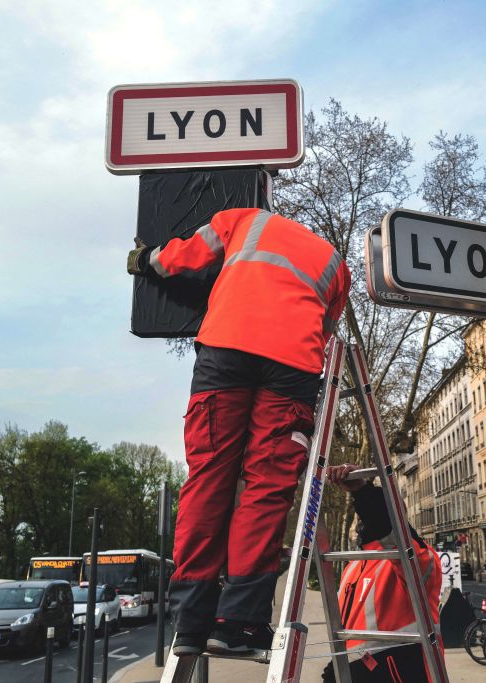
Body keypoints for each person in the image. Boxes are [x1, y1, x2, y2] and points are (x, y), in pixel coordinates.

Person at [128, 208, 351, 657]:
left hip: (226, 346)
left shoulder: (244, 220)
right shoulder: (335, 263)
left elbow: (183, 257)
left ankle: (190, 622)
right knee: (267, 487)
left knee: (208, 477)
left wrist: (146, 259)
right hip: (293, 365)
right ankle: (239, 623)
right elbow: (325, 330)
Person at [321, 463, 444, 682]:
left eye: (364, 515)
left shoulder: (415, 558)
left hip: (403, 671)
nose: (361, 522)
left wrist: (362, 490)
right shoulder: (354, 566)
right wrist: (337, 666)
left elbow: (385, 525)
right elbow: (350, 629)